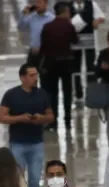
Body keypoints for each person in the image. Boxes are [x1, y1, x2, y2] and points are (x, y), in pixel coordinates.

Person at [0, 64, 55, 187]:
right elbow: (2, 117)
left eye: (36, 75)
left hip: (37, 144)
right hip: (18, 143)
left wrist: (41, 119)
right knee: (17, 179)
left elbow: (51, 116)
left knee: (35, 179)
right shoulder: (11, 95)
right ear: (22, 78)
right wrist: (20, 118)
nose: (35, 78)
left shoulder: (42, 94)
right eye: (31, 75)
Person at [39, 2, 79, 131]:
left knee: (53, 93)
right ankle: (67, 121)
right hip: (66, 64)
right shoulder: (69, 26)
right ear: (64, 12)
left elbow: (43, 47)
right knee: (67, 93)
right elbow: (75, 41)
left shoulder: (47, 27)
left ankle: (53, 121)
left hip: (51, 64)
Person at [69, 0, 106, 103]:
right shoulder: (68, 6)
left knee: (91, 66)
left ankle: (92, 92)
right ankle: (78, 93)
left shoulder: (91, 4)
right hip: (74, 41)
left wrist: (97, 21)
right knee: (75, 68)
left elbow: (102, 17)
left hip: (90, 40)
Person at [18, 0, 55, 67]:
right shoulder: (31, 17)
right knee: (30, 75)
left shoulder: (52, 19)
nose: (37, 5)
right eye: (36, 2)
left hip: (46, 54)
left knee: (45, 76)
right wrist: (24, 14)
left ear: (46, 4)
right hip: (33, 53)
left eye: (40, 2)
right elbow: (21, 27)